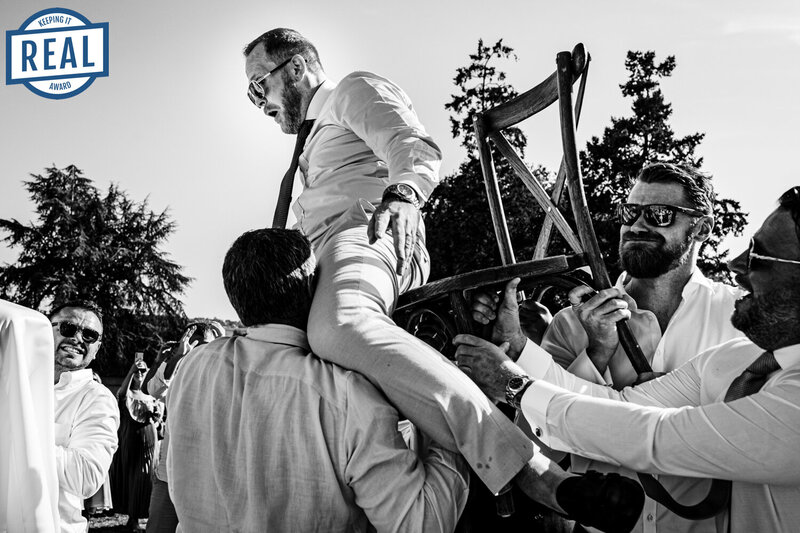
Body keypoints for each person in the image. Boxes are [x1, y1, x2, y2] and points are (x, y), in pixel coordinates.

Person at [243, 28, 642, 531]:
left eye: (259, 86)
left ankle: (535, 473)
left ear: (297, 68)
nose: (257, 102)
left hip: (368, 237)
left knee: (336, 326)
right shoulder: (312, 137)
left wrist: (404, 194)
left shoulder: (351, 91)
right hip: (322, 263)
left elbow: (411, 144)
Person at [455, 186, 800, 532]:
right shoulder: (736, 357)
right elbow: (616, 406)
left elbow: (653, 436)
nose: (736, 264)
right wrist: (518, 352)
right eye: (629, 212)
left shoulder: (743, 324)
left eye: (659, 214)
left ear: (701, 228)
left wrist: (515, 387)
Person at [167, 228, 473, 531]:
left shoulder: (192, 368)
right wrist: (451, 422)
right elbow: (420, 525)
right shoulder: (346, 397)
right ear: (314, 288)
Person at [142, 322, 224, 533]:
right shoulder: (178, 373)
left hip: (207, 480)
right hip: (169, 476)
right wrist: (175, 358)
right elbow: (152, 389)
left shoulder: (224, 377)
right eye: (191, 344)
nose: (197, 351)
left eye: (203, 345)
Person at [51, 300, 120, 533]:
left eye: (90, 335)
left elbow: (86, 477)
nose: (77, 339)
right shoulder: (14, 380)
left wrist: (18, 436)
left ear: (97, 348)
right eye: (68, 328)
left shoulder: (97, 398)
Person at [111, 358, 163, 531]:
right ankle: (132, 517)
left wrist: (156, 417)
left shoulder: (151, 395)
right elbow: (121, 395)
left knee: (145, 477)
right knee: (132, 476)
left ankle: (141, 514)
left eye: (142, 370)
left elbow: (158, 421)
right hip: (130, 439)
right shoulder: (127, 394)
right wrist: (131, 370)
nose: (139, 374)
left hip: (149, 439)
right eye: (137, 371)